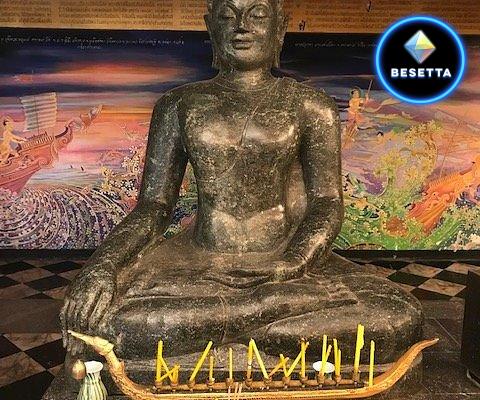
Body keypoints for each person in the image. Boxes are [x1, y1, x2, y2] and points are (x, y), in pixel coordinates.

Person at [62, 0, 422, 365]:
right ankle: (263, 313)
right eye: (227, 15)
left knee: (397, 315)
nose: (242, 26)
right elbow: (154, 206)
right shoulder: (178, 104)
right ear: (211, 27)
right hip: (198, 262)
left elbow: (326, 202)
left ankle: (217, 329)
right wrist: (101, 267)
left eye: (258, 14)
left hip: (285, 262)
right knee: (102, 321)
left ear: (280, 27)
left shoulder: (311, 105)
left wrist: (294, 262)